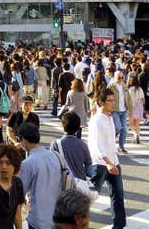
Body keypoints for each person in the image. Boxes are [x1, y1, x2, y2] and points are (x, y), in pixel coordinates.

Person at [87, 88, 126, 229]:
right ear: (101, 102)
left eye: (114, 100)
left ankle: (119, 226)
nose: (113, 103)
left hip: (113, 161)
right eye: (110, 101)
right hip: (100, 164)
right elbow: (97, 145)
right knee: (89, 198)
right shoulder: (97, 120)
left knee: (118, 197)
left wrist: (113, 161)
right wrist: (108, 163)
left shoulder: (110, 118)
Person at [18, 122, 63, 229]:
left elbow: (19, 193)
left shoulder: (27, 163)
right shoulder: (56, 156)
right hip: (59, 217)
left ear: (23, 139)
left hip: (38, 219)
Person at [51, 112, 93, 182]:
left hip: (62, 182)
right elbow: (89, 171)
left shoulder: (55, 144)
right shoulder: (83, 145)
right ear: (78, 128)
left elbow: (52, 166)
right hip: (80, 183)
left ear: (63, 126)